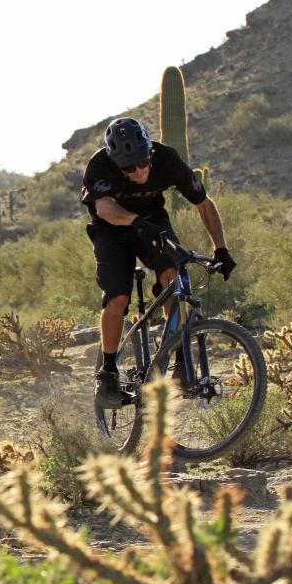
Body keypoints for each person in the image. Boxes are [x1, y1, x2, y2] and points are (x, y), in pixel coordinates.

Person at [81, 117, 235, 408]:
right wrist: (134, 221)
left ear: (150, 152)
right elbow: (104, 208)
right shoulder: (99, 165)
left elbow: (203, 203)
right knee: (117, 298)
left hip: (152, 222)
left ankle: (178, 363)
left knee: (173, 275)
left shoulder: (166, 159)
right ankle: (108, 374)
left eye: (142, 163)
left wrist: (221, 249)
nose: (138, 171)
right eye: (129, 168)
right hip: (111, 229)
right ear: (116, 163)